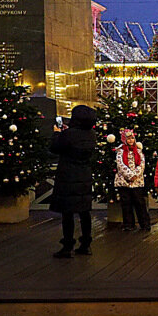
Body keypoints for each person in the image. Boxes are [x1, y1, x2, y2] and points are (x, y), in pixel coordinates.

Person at [50, 105, 97, 258]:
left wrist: (57, 134)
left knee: (67, 213)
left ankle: (67, 246)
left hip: (67, 177)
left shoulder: (68, 135)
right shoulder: (91, 134)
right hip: (84, 177)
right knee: (84, 212)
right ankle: (86, 244)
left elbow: (55, 148)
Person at [114, 128, 151, 231]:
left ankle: (144, 223)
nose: (130, 141)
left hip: (137, 181)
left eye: (132, 138)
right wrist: (129, 175)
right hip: (124, 181)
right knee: (126, 203)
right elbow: (120, 165)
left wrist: (135, 175)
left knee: (139, 202)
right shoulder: (120, 152)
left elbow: (141, 164)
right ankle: (128, 224)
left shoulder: (139, 152)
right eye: (128, 139)